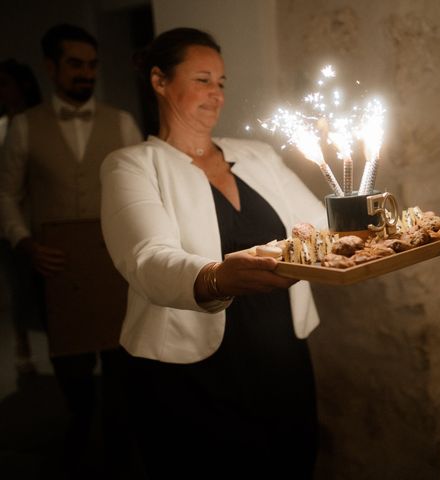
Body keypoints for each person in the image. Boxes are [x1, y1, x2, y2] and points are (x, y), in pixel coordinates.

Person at [100, 27, 325, 479]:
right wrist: (218, 278)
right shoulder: (131, 166)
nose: (216, 95)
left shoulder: (257, 155)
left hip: (282, 357)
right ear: (159, 80)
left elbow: (318, 225)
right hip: (189, 374)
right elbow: (148, 260)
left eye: (221, 83)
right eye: (202, 80)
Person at [0, 24, 142, 478]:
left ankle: (124, 452)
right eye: (75, 64)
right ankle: (80, 444)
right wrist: (24, 243)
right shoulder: (23, 127)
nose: (86, 73)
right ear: (51, 67)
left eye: (92, 64)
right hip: (56, 270)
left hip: (116, 267)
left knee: (124, 371)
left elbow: (144, 189)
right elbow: (5, 195)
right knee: (74, 376)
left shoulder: (121, 122)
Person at [0, 59, 42, 375]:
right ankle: (22, 348)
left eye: (6, 83)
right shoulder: (4, 127)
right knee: (16, 283)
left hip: (40, 216)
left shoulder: (36, 125)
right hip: (11, 220)